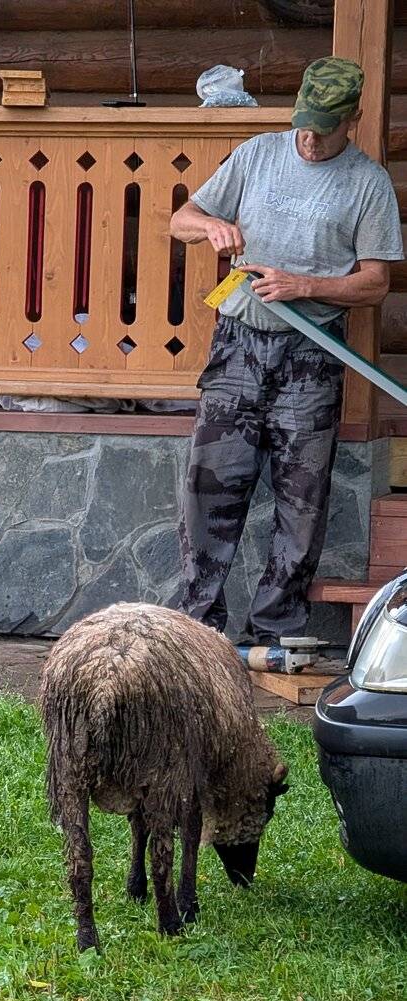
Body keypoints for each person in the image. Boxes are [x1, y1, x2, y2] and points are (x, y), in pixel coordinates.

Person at [169, 56, 404, 643]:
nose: (310, 136)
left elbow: (376, 283)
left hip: (313, 354)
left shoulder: (368, 183)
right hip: (237, 346)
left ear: (351, 119)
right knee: (210, 486)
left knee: (301, 498)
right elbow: (181, 218)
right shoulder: (257, 154)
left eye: (324, 126)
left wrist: (305, 286)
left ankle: (273, 629)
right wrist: (212, 229)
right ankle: (197, 629)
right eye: (305, 122)